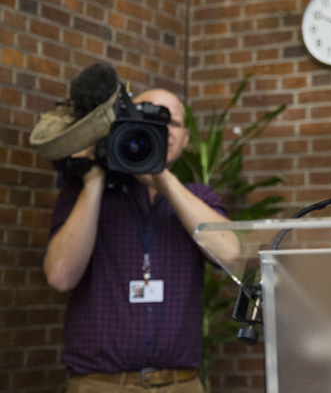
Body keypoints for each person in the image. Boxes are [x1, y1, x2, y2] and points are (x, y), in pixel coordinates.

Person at [43, 87, 236, 392]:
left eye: (169, 123)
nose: (158, 129)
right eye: (145, 117)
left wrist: (163, 178)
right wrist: (93, 180)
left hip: (181, 384)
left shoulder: (199, 197)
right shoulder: (84, 193)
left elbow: (231, 254)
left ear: (185, 140)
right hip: (100, 383)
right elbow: (60, 276)